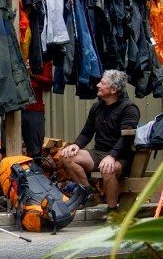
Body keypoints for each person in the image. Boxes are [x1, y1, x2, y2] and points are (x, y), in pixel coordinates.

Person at [59, 69, 140, 211]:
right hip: (99, 153)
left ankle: (112, 210)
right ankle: (89, 193)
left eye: (102, 83)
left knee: (107, 168)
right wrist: (76, 145)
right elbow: (86, 132)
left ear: (113, 89)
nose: (97, 85)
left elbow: (126, 139)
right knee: (67, 157)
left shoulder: (129, 108)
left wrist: (112, 156)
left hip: (121, 156)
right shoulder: (97, 107)